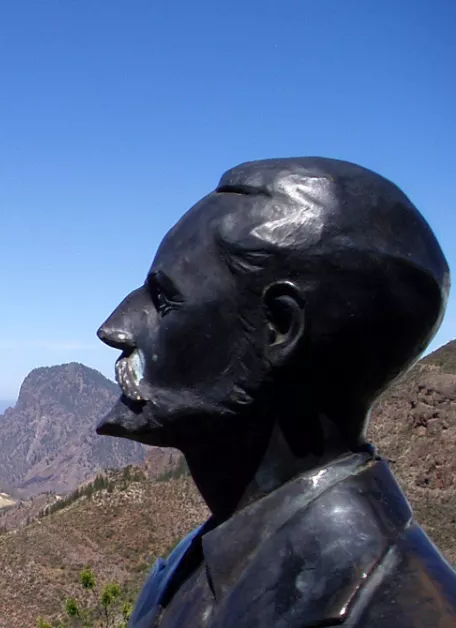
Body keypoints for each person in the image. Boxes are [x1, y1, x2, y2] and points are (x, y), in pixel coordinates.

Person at [95, 157, 456, 627]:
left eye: (164, 300)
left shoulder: (403, 612)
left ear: (279, 328)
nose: (114, 328)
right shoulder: (185, 569)